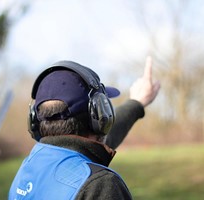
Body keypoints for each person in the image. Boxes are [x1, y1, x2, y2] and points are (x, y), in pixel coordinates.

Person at [9, 57, 160, 199]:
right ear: (99, 118)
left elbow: (90, 149)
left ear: (35, 119)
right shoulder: (99, 185)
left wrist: (136, 103)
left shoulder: (28, 168)